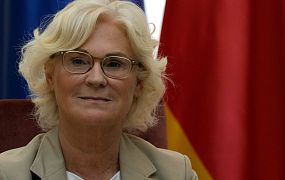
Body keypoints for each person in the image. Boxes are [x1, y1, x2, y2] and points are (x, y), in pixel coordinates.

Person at [0, 0, 198, 179]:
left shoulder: (176, 173)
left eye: (114, 64)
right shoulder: (7, 173)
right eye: (78, 61)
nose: (96, 79)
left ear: (139, 83)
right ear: (51, 76)